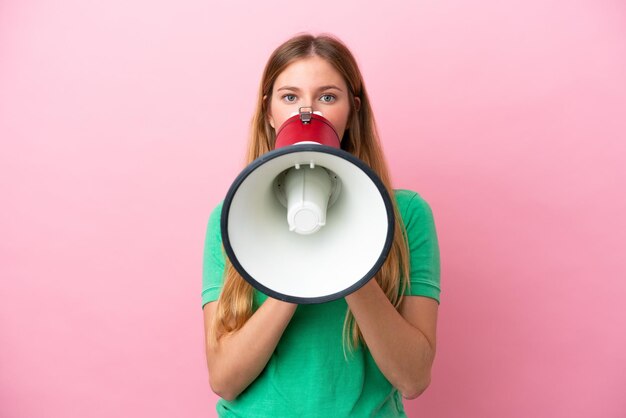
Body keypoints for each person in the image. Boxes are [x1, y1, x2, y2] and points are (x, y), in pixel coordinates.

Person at [201, 33, 441, 418]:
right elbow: (225, 380)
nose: (306, 112)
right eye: (290, 97)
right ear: (269, 112)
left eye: (327, 97)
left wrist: (347, 257)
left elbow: (413, 378)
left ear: (353, 110)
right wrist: (299, 268)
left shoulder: (407, 215)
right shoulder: (231, 220)